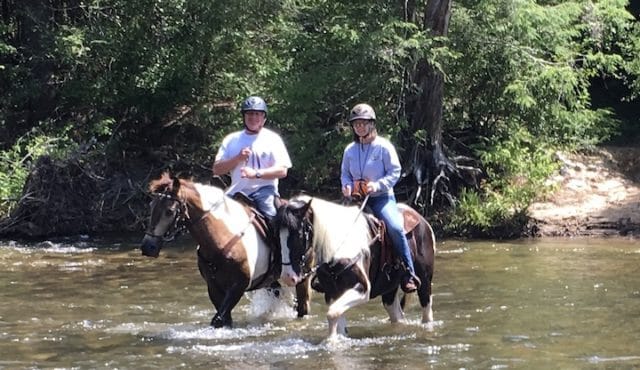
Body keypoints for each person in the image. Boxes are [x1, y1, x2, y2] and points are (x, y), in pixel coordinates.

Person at [340, 103, 420, 293]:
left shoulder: (384, 147)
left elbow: (395, 172)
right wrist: (346, 186)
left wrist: (378, 185)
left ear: (372, 124)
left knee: (394, 227)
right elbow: (344, 174)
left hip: (381, 198)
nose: (359, 127)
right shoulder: (349, 150)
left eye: (363, 123)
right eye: (356, 124)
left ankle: (409, 272)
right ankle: (328, 272)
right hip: (355, 200)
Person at [213, 96, 292, 220]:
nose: (253, 118)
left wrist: (256, 174)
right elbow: (217, 169)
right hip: (236, 191)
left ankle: (275, 239)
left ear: (264, 118)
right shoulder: (231, 140)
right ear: (244, 117)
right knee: (212, 219)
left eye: (257, 114)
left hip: (264, 191)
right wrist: (237, 158)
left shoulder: (273, 139)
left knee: (272, 217)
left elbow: (282, 171)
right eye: (249, 114)